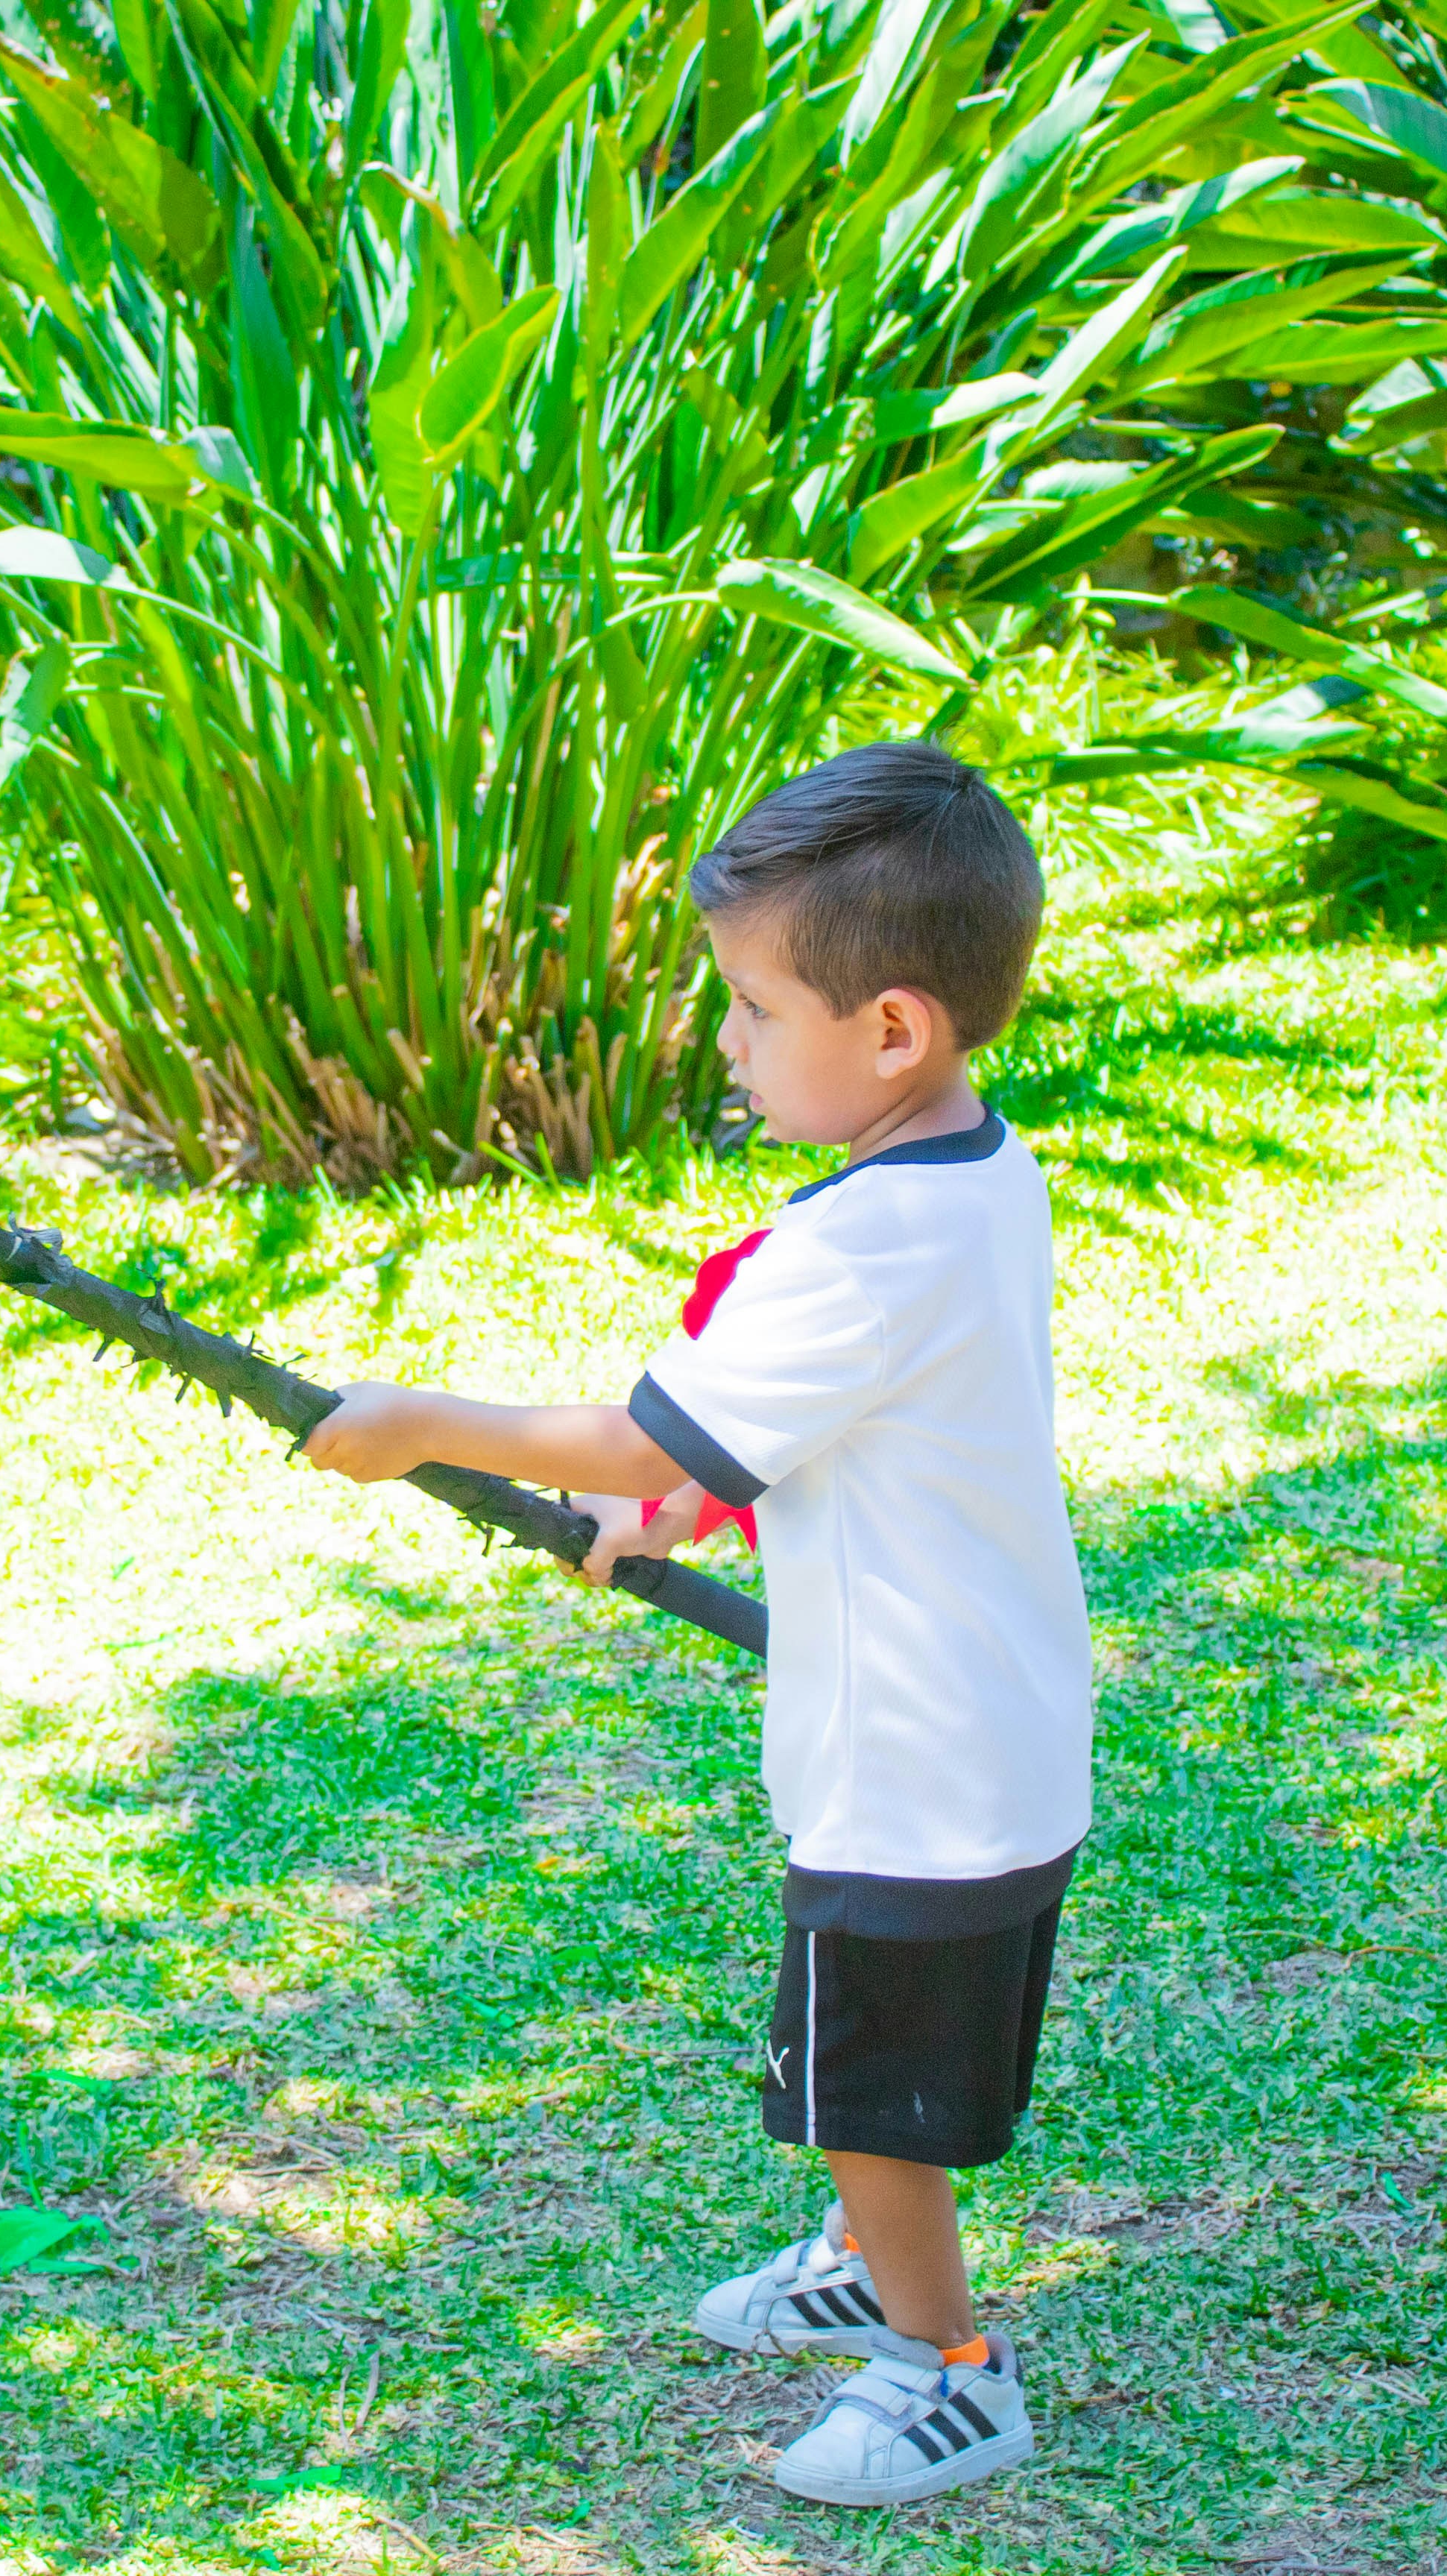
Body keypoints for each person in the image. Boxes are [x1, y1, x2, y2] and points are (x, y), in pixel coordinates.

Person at [298, 738, 1094, 2507]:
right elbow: (792, 1436)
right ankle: (873, 2260)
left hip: (921, 1769)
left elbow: (645, 1431)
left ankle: (946, 2364)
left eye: (750, 1008)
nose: (726, 1043)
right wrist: (670, 1514)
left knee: (858, 2085)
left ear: (893, 1030)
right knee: (870, 2065)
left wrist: (419, 1420)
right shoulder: (974, 1175)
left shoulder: (865, 1246)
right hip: (979, 1727)